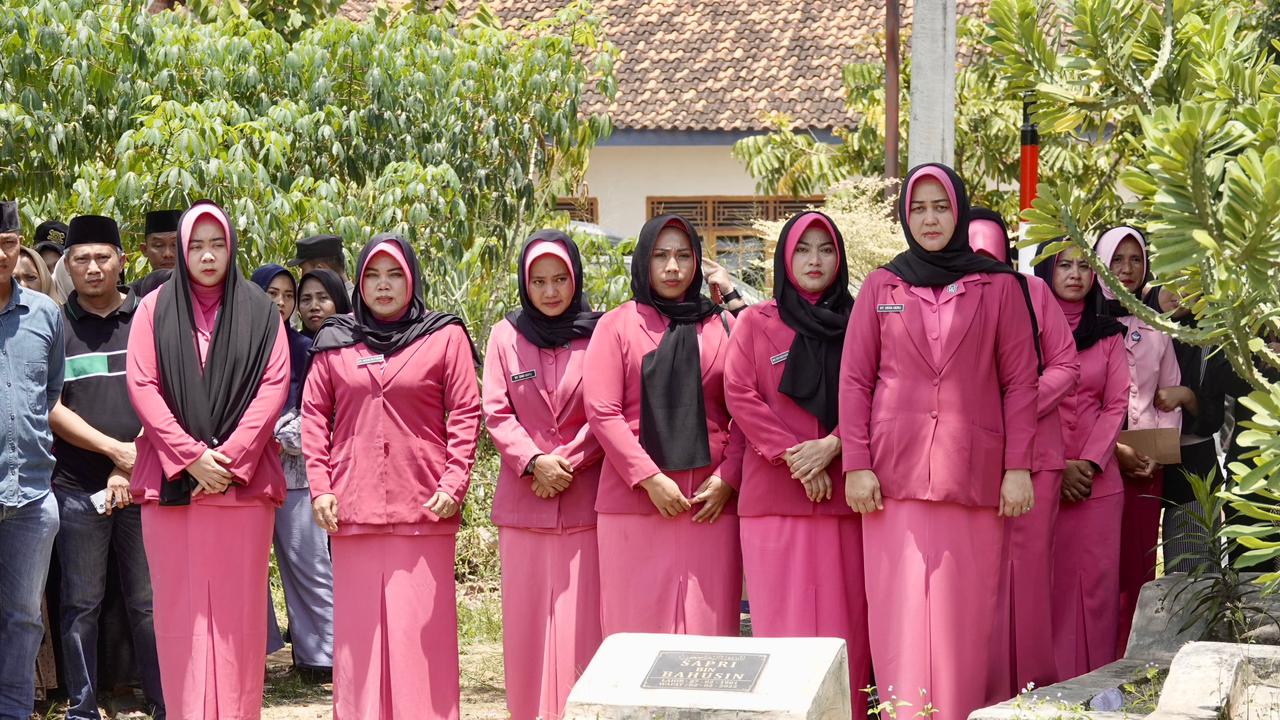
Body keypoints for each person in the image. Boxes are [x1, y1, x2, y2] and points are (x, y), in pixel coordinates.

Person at [839, 164, 1038, 719]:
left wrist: (1017, 467)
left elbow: (1021, 382)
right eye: (919, 208)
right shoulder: (882, 285)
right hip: (891, 478)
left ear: (960, 211)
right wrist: (856, 463)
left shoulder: (998, 286)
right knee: (897, 613)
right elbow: (855, 380)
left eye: (941, 206)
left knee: (963, 617)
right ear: (905, 214)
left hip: (971, 475)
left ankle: (958, 710)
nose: (930, 219)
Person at [303, 234, 481, 720]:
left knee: (421, 640)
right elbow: (314, 417)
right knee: (359, 645)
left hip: (424, 507)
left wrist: (454, 482)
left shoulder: (443, 336)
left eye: (395, 274)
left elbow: (466, 413)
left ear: (412, 279)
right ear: (359, 283)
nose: (384, 286)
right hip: (352, 510)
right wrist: (320, 487)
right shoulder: (336, 340)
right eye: (374, 276)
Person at [125, 200, 290, 719]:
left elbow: (274, 386)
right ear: (181, 250)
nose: (208, 255)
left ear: (232, 247)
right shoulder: (153, 310)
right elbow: (142, 385)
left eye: (217, 244)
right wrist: (191, 457)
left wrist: (230, 460)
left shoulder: (261, 312)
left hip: (242, 487)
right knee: (180, 615)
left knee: (239, 619)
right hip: (173, 485)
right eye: (196, 245)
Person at [723, 211, 871, 712]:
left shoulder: (860, 322)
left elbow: (879, 390)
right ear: (785, 257)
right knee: (782, 633)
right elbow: (739, 394)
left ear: (839, 258)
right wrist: (796, 458)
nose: (814, 260)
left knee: (845, 630)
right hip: (774, 500)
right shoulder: (754, 322)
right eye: (803, 249)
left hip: (845, 499)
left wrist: (833, 445)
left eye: (825, 249)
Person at [583, 214, 745, 638]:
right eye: (660, 256)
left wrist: (729, 476)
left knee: (708, 636)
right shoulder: (616, 325)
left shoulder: (722, 325)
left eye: (683, 256)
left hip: (709, 504)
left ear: (698, 262)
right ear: (644, 260)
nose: (672, 267)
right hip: (634, 503)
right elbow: (602, 411)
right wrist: (649, 478)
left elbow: (747, 405)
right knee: (635, 634)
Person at [483, 230, 605, 720]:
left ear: (575, 280)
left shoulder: (600, 334)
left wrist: (565, 463)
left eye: (560, 279)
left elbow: (607, 410)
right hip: (524, 504)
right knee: (527, 626)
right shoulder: (504, 336)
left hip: (586, 502)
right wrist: (534, 461)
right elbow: (496, 411)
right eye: (539, 281)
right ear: (524, 283)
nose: (550, 291)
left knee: (584, 625)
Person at [48, 215, 165, 720]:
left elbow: (167, 394)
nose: (93, 268)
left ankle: (165, 700)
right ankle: (82, 706)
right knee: (81, 603)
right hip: (77, 488)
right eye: (81, 259)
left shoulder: (149, 319)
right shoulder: (55, 324)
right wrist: (115, 452)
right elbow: (51, 406)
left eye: (102, 257)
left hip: (146, 483)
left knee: (148, 602)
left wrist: (131, 460)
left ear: (122, 260)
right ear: (67, 266)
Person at [969, 208, 1079, 696]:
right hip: (972, 455)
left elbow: (1065, 364)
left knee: (1031, 576)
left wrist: (1016, 405)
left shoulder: (1034, 292)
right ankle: (982, 687)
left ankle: (1035, 688)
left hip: (1037, 455)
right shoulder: (950, 294)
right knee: (981, 576)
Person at [1032, 242, 1129, 679]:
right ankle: (1046, 687)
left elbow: (1116, 404)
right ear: (1046, 271)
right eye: (1064, 265)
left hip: (1098, 484)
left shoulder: (1108, 333)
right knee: (1046, 589)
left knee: (1097, 592)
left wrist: (1088, 463)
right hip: (1041, 477)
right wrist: (1057, 464)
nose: (1075, 274)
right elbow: (1020, 401)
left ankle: (1098, 687)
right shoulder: (1026, 331)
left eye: (1085, 266)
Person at [1094, 226, 1181, 653]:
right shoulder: (1086, 321)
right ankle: (1092, 655)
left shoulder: (1156, 326)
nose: (1126, 269)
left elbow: (1169, 395)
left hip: (1146, 468)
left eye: (1135, 260)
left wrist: (1157, 454)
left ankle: (1128, 659)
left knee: (1138, 567)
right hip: (1097, 465)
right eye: (1117, 259)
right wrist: (1112, 450)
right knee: (1099, 567)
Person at [249, 264, 335, 682]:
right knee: (247, 567)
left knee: (308, 563)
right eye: (272, 294)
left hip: (296, 473)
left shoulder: (304, 347)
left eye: (288, 295)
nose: (281, 303)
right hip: (246, 473)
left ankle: (322, 656)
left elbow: (318, 412)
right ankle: (257, 653)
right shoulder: (239, 346)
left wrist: (274, 436)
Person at [0, 198, 67, 720]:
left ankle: (15, 709)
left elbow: (50, 394)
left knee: (24, 617)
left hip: (31, 496)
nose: (2, 255)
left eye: (8, 243)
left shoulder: (45, 314)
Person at [297, 268, 352, 337]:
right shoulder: (290, 342)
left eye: (323, 298)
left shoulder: (358, 341)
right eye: (306, 299)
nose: (314, 307)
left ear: (339, 301)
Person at [287, 235, 351, 291]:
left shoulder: (340, 300)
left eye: (303, 270)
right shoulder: (354, 297)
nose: (302, 277)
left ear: (320, 269)